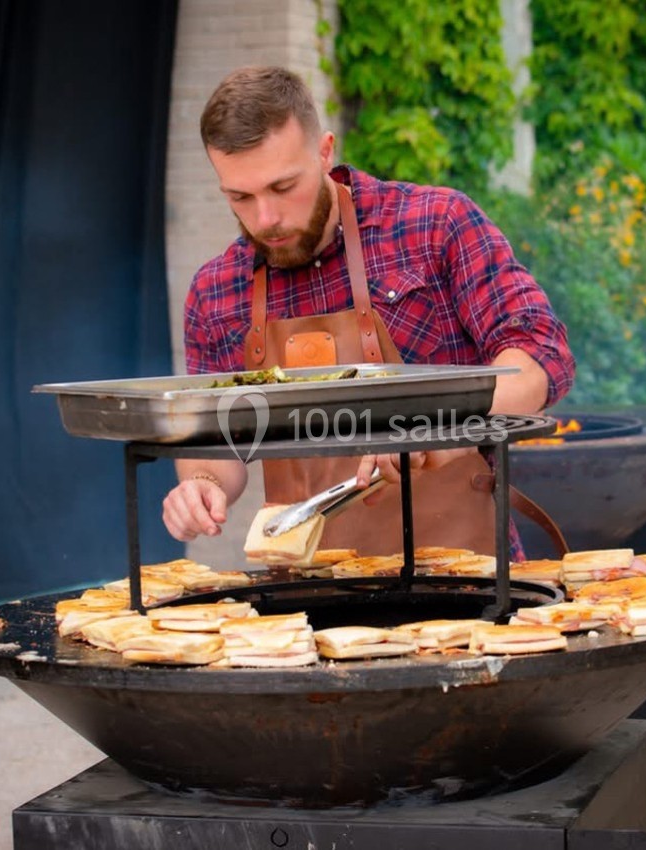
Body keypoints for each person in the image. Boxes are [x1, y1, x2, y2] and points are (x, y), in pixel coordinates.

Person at [161, 65, 575, 557]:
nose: (266, 219)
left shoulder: (434, 225)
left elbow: (541, 354)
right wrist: (201, 484)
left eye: (282, 187)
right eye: (240, 197)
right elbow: (214, 441)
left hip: (470, 584)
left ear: (324, 150)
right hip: (307, 601)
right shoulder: (215, 291)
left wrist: (444, 428)